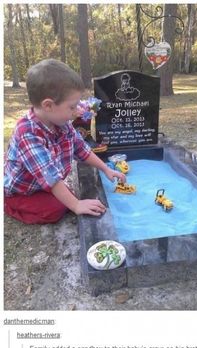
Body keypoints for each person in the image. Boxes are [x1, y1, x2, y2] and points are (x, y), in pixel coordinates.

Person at [4, 59, 125, 224]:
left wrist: (105, 169)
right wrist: (76, 205)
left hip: (42, 183)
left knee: (67, 197)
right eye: (72, 107)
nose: (77, 111)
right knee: (56, 210)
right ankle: (6, 203)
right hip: (23, 191)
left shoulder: (62, 124)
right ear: (48, 105)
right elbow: (51, 177)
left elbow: (82, 149)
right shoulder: (28, 134)